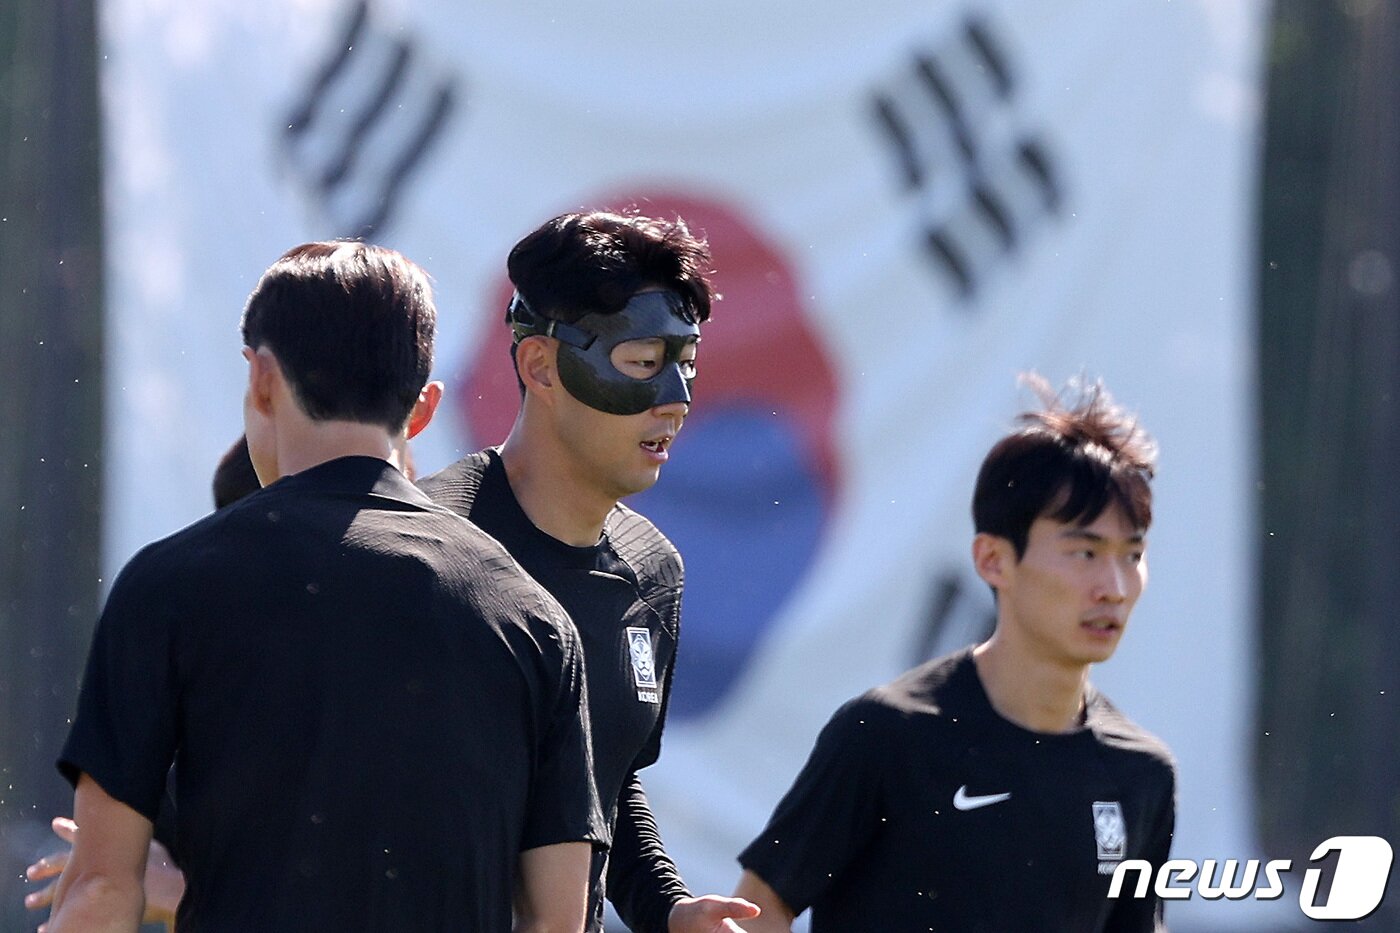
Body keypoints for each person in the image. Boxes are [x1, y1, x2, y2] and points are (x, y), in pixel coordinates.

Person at [42, 241, 603, 933]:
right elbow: (557, 920)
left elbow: (100, 888)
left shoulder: (170, 585)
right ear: (422, 408)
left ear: (263, 379)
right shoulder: (534, 617)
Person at [732, 376, 1177, 933]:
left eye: (1131, 555)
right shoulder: (886, 734)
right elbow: (756, 913)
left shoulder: (1141, 773)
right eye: (1085, 551)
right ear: (994, 560)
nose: (1113, 586)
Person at [416, 211, 758, 933]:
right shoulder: (426, 548)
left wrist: (667, 908)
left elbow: (605, 779)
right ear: (541, 365)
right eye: (641, 361)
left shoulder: (652, 570)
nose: (677, 397)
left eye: (687, 362)